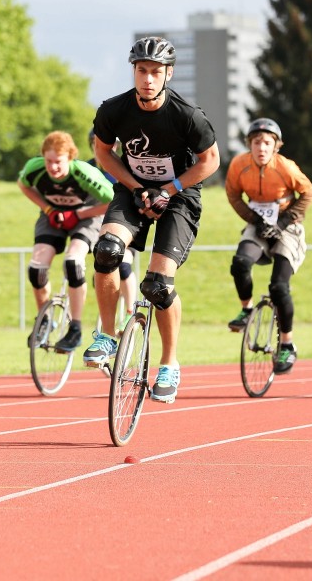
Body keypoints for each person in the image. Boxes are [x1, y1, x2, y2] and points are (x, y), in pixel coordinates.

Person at [83, 36, 220, 404]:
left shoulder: (187, 115)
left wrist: (169, 189)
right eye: (142, 70)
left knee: (158, 286)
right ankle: (106, 336)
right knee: (107, 251)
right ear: (134, 71)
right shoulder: (114, 110)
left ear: (168, 74)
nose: (147, 78)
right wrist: (135, 185)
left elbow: (210, 161)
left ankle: (169, 364)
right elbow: (102, 152)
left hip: (179, 197)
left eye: (156, 72)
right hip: (133, 190)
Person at [225, 118, 312, 374]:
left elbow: (308, 193)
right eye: (256, 142)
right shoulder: (239, 166)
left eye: (267, 143)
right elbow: (233, 194)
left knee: (278, 287)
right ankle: (246, 310)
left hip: (287, 225)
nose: (261, 148)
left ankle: (287, 344)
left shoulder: (285, 167)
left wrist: (285, 220)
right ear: (249, 145)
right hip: (259, 222)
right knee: (240, 262)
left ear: (276, 146)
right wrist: (253, 219)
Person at [18, 130, 114, 351]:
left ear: (70, 157)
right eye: (49, 161)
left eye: (58, 162)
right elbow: (23, 185)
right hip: (53, 215)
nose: (53, 167)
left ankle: (76, 328)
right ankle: (45, 319)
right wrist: (47, 208)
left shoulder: (85, 174)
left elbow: (112, 202)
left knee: (73, 261)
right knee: (36, 268)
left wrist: (78, 215)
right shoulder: (35, 169)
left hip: (87, 215)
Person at [87, 129, 138, 331]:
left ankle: (129, 312)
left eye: (115, 145)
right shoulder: (88, 169)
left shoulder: (124, 169)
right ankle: (107, 319)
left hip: (123, 225)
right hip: (98, 227)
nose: (111, 148)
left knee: (123, 264)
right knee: (100, 271)